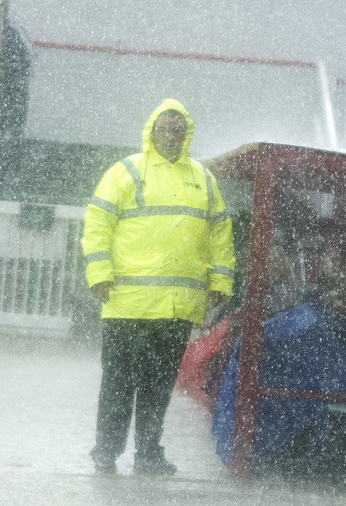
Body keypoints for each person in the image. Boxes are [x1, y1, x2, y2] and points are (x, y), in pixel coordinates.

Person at [82, 100, 235, 476]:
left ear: (187, 135)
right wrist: (99, 273)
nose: (170, 136)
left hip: (174, 307)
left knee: (158, 384)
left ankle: (148, 451)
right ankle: (106, 450)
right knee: (118, 381)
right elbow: (97, 222)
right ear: (151, 131)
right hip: (126, 303)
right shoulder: (125, 172)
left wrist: (220, 283)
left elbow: (221, 234)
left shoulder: (203, 179)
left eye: (177, 130)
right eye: (164, 129)